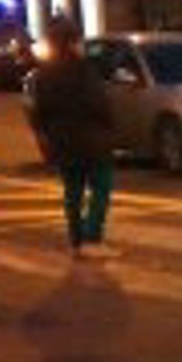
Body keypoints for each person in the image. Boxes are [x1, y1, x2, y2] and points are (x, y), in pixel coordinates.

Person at [29, 15, 119, 260]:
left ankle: (76, 238)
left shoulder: (43, 74)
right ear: (72, 42)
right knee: (101, 187)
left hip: (63, 141)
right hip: (91, 139)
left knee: (73, 190)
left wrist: (47, 135)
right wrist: (109, 126)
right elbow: (97, 103)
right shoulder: (83, 69)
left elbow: (39, 111)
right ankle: (92, 237)